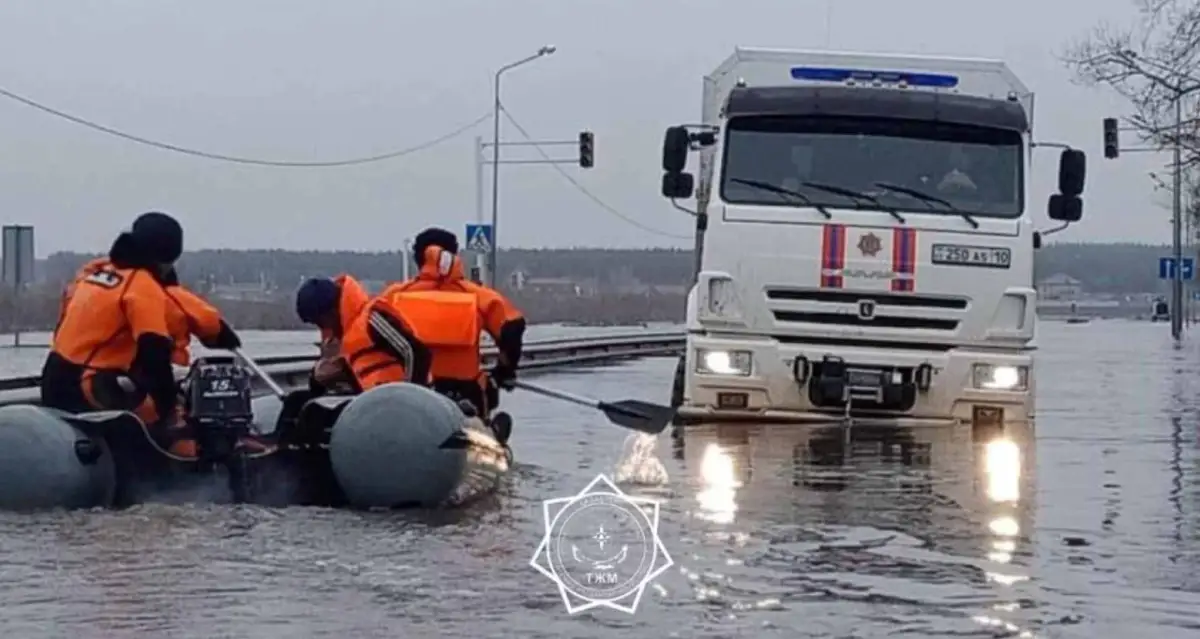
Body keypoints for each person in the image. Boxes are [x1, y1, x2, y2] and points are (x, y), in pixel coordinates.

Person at [40, 213, 239, 459]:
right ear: (167, 257)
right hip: (91, 387)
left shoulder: (95, 273)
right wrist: (167, 407)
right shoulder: (143, 286)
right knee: (171, 426)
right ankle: (181, 465)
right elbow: (154, 350)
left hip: (53, 379)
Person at [380, 227, 526, 419]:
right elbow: (512, 328)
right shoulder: (478, 297)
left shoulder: (393, 296)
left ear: (418, 259)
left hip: (409, 395)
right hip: (465, 393)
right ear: (455, 255)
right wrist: (504, 371)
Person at [294, 274, 432, 393]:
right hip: (371, 401)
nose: (323, 330)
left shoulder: (372, 320)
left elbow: (416, 353)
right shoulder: (341, 339)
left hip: (398, 401)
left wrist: (410, 399)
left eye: (321, 323)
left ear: (332, 311)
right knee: (298, 401)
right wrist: (319, 375)